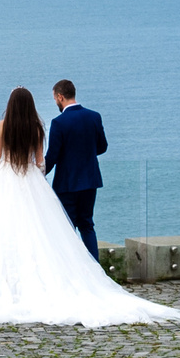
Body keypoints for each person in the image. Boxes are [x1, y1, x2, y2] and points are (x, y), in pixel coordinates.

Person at [0, 87, 180, 327]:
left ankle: (5, 282)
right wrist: (37, 183)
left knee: (2, 231)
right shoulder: (38, 128)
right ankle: (88, 271)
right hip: (36, 180)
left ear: (10, 105)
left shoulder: (3, 126)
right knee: (49, 231)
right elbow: (40, 162)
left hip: (6, 180)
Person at [44, 79, 106, 256]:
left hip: (67, 184)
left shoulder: (59, 123)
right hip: (90, 180)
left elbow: (52, 156)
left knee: (68, 228)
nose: (55, 102)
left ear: (60, 96)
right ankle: (95, 268)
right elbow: (102, 147)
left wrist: (38, 173)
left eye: (55, 98)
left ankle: (73, 269)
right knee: (87, 224)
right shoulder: (94, 116)